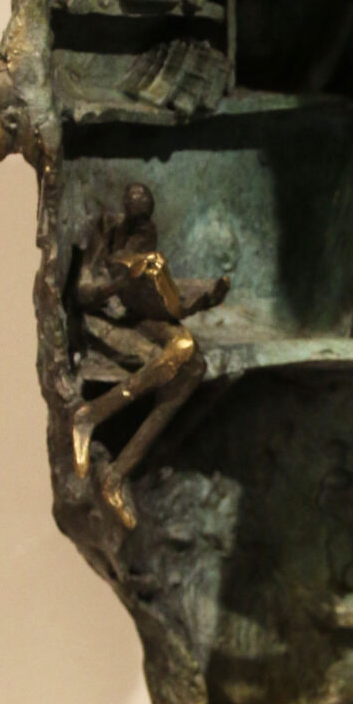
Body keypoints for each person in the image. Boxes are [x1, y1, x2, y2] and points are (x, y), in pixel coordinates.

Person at [69, 182, 228, 527]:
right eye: (138, 218)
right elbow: (82, 294)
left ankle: (114, 470)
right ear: (126, 207)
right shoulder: (106, 229)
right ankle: (89, 420)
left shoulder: (147, 232)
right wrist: (120, 283)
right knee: (185, 353)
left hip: (140, 315)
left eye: (146, 220)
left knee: (193, 366)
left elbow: (150, 292)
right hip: (106, 318)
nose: (143, 228)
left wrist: (198, 302)